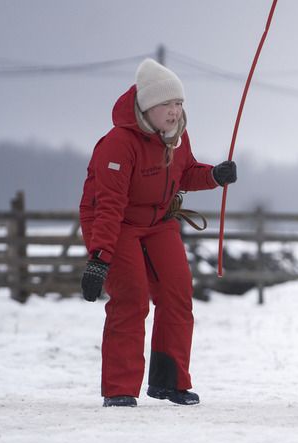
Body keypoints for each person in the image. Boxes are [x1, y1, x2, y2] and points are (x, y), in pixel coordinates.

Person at [78, 58, 237, 407]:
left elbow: (186, 173)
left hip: (158, 223)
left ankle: (169, 382)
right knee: (131, 299)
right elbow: (107, 206)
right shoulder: (118, 144)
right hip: (115, 224)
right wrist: (99, 259)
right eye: (167, 104)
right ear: (147, 107)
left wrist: (214, 176)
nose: (175, 111)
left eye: (179, 103)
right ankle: (119, 388)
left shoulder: (177, 138)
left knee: (178, 292)